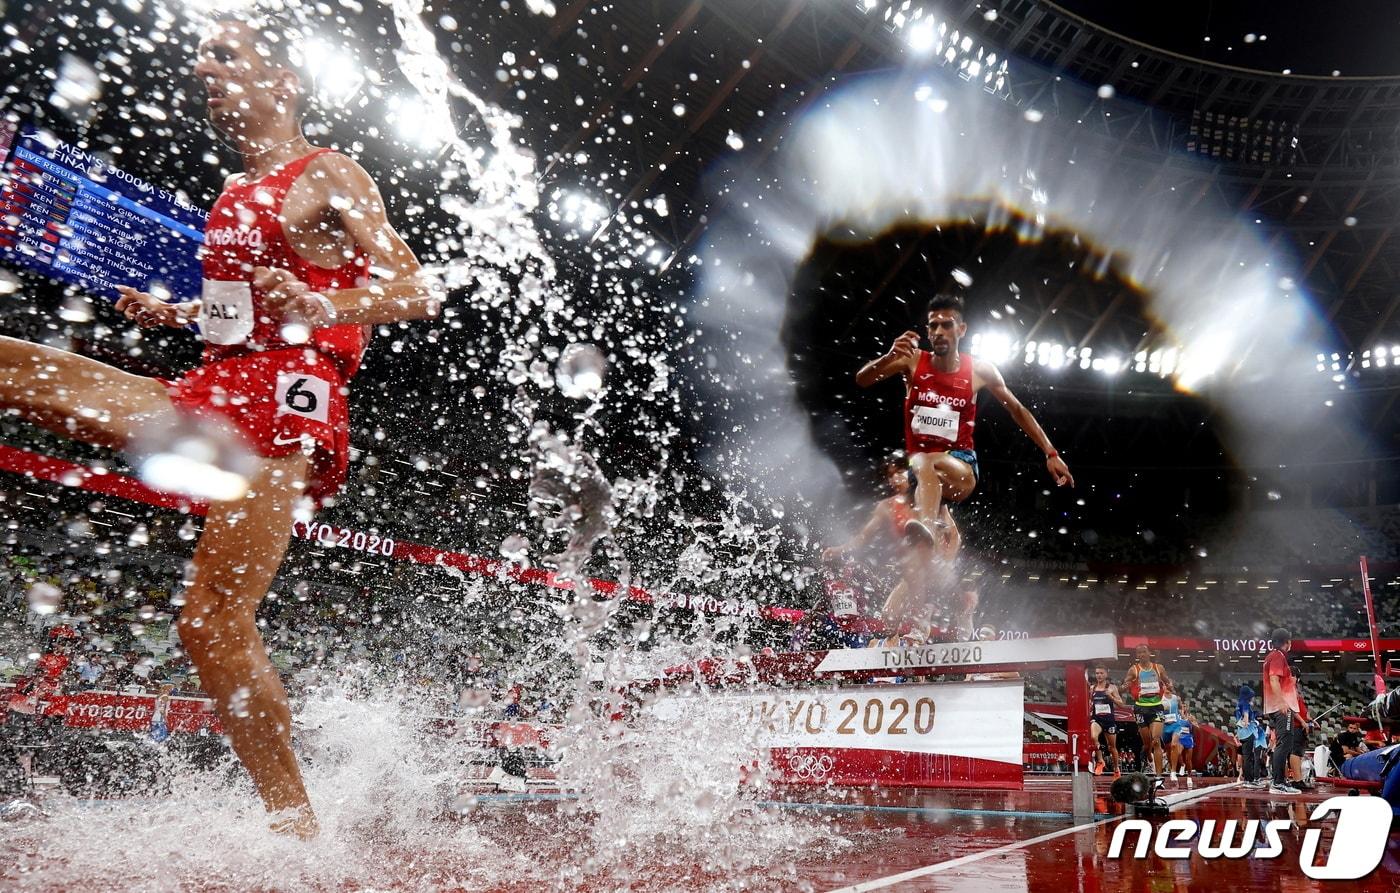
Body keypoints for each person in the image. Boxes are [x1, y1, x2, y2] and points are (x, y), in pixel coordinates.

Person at [0, 15, 440, 836]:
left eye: (227, 55)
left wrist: (326, 304)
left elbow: (419, 290)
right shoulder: (232, 190)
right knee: (16, 368)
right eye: (202, 57)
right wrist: (176, 313)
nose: (206, 68)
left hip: (288, 391)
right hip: (215, 382)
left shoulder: (329, 170)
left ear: (283, 81)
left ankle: (296, 829)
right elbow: (236, 315)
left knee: (210, 618)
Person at [854, 294, 1073, 544]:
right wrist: (889, 357)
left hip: (960, 467)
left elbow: (1017, 409)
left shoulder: (979, 370)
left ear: (961, 329)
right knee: (922, 555)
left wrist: (1051, 453)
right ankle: (930, 545)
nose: (939, 331)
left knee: (924, 461)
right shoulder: (911, 360)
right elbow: (862, 380)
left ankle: (928, 527)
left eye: (947, 325)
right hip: (922, 477)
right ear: (927, 330)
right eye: (933, 325)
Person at [1262, 628, 1311, 795]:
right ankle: (1278, 783)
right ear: (1287, 642)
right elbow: (1274, 679)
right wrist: (1282, 702)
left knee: (1284, 744)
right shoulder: (1277, 656)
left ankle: (1279, 782)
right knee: (1284, 745)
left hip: (1278, 706)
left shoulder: (1273, 656)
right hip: (1281, 707)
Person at [1122, 643, 1172, 776]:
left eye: (1144, 652)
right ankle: (1147, 754)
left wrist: (1170, 687)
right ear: (1136, 655)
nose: (1142, 655)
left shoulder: (1158, 668)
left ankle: (1159, 776)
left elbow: (1168, 682)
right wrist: (1125, 686)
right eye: (1139, 653)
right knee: (1147, 743)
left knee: (1156, 741)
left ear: (1150, 653)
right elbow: (1123, 686)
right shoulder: (1134, 670)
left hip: (1156, 707)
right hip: (1141, 708)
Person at [1088, 664, 1125, 777]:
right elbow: (1090, 703)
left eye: (1101, 673)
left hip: (1109, 721)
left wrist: (1111, 697)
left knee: (1111, 747)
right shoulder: (1092, 688)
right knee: (1093, 737)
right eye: (1097, 673)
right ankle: (1100, 761)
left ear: (1106, 674)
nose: (1099, 675)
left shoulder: (1112, 688)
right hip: (1097, 719)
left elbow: (1121, 705)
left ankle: (1116, 768)